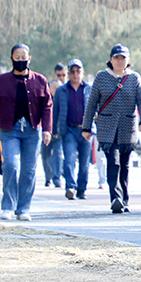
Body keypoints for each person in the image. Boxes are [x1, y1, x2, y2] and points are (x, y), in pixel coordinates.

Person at [0, 44, 53, 221]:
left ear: (29, 58)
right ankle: (8, 206)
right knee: (10, 165)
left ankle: (23, 208)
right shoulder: (2, 80)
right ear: (11, 59)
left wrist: (47, 129)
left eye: (24, 57)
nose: (21, 60)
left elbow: (47, 106)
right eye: (17, 57)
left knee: (29, 170)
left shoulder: (40, 80)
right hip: (9, 129)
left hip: (32, 130)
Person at [82, 44, 141, 214]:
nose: (119, 61)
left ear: (128, 61)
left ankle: (125, 199)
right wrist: (86, 127)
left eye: (123, 58)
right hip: (106, 127)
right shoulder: (101, 77)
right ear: (111, 60)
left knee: (125, 164)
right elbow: (91, 104)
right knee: (113, 161)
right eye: (116, 58)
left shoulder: (134, 78)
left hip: (128, 126)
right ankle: (115, 198)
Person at [55, 59, 93, 201]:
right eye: (72, 72)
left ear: (82, 73)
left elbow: (96, 109)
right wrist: (53, 129)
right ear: (68, 74)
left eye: (78, 71)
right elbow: (56, 110)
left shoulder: (89, 89)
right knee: (69, 159)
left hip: (85, 130)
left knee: (84, 163)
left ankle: (82, 189)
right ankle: (70, 186)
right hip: (69, 130)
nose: (75, 75)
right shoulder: (61, 91)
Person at [43, 63, 67, 188]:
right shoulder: (45, 98)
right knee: (46, 155)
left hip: (58, 130)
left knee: (58, 153)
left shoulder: (64, 95)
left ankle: (57, 178)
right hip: (45, 130)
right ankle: (48, 177)